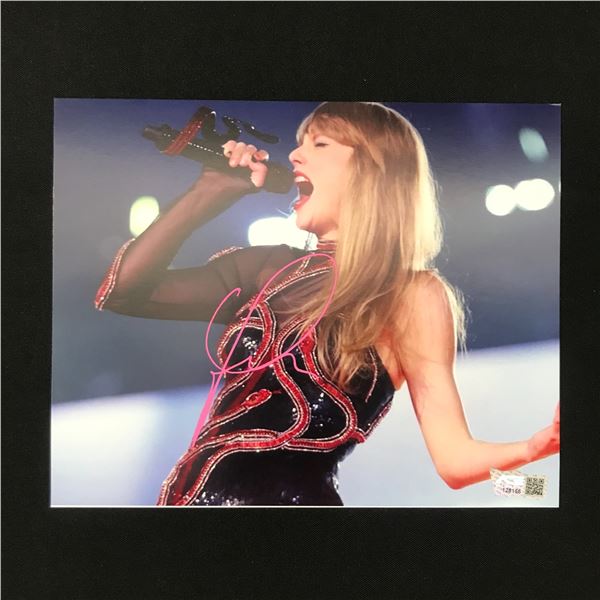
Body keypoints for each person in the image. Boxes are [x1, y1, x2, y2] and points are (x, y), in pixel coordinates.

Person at [94, 101, 560, 506]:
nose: (294, 155)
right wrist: (208, 192)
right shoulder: (265, 269)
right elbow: (121, 292)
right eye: (299, 144)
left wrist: (534, 458)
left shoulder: (410, 294)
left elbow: (455, 464)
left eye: (319, 144)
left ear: (372, 170)